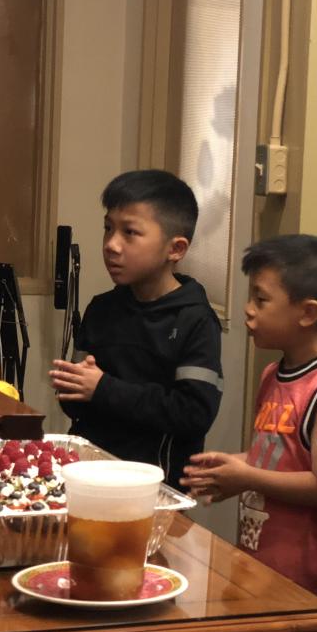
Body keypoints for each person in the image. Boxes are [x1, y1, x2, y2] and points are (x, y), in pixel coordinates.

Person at [179, 234, 317, 598]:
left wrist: (246, 476)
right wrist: (228, 468)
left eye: (261, 299)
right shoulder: (272, 374)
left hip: (303, 579)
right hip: (257, 561)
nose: (248, 309)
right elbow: (276, 455)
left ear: (308, 313)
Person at [49, 170, 223, 487]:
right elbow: (75, 401)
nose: (111, 245)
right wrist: (71, 384)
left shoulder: (195, 320)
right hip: (89, 474)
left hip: (154, 486)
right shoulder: (101, 308)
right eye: (108, 228)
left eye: (130, 232)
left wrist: (102, 388)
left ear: (176, 249)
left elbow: (194, 413)